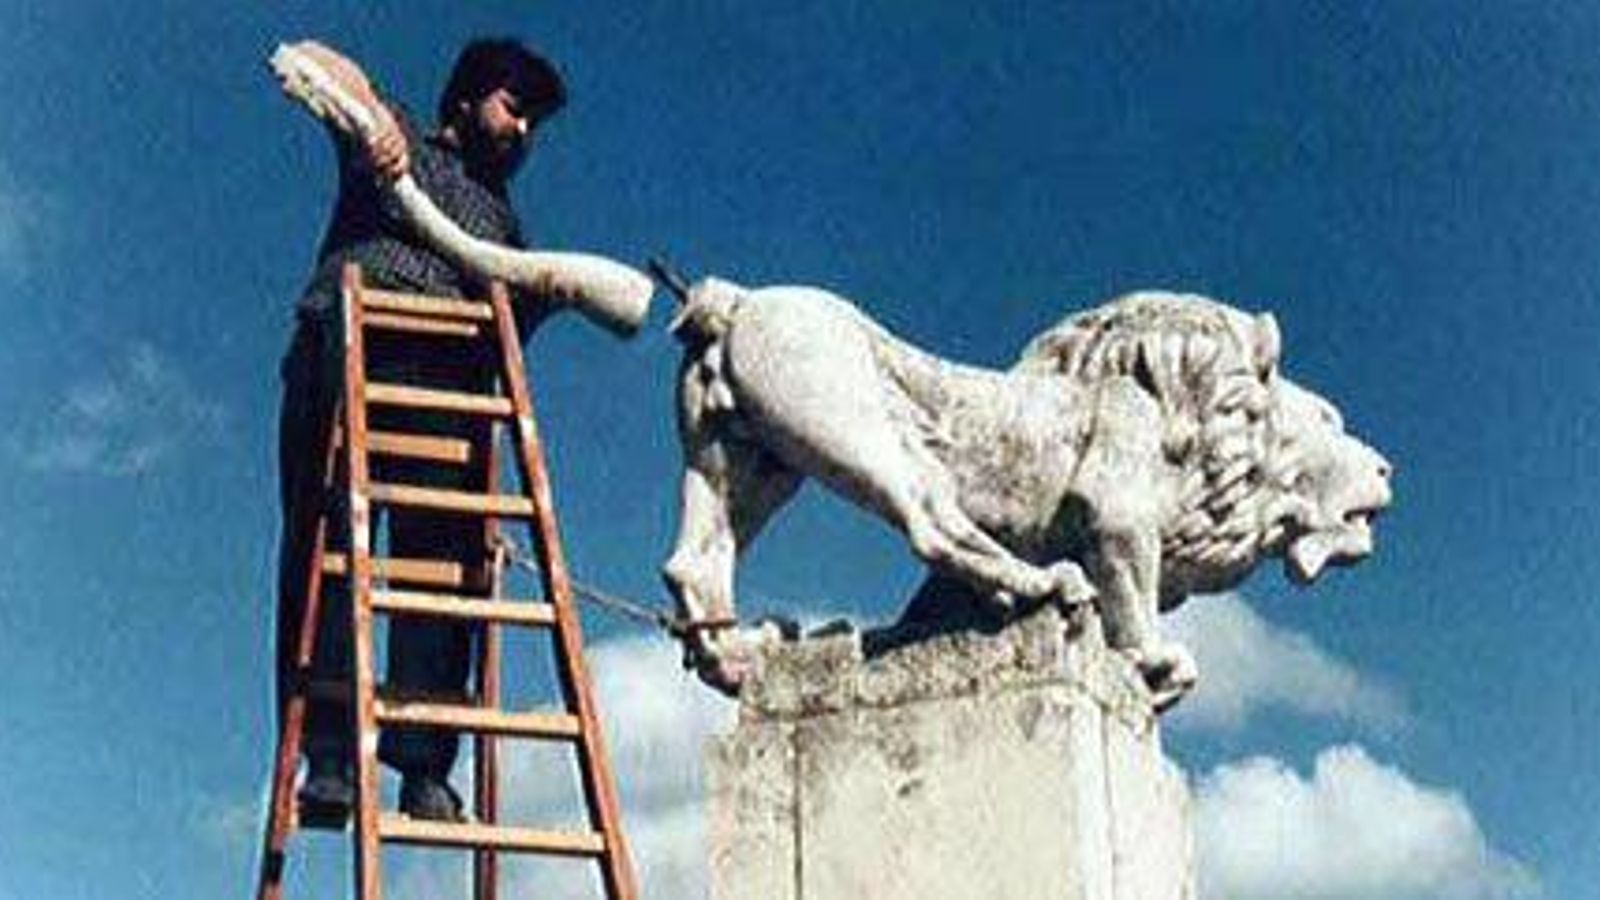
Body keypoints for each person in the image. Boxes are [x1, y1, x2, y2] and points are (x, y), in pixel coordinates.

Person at [275, 38, 565, 825]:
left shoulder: (503, 226)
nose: (524, 131)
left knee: (447, 555)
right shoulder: (395, 138)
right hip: (347, 348)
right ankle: (330, 755)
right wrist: (372, 119)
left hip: (447, 379)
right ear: (467, 100)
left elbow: (516, 328)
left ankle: (425, 763)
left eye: (535, 120)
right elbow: (309, 56)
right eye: (514, 107)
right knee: (330, 541)